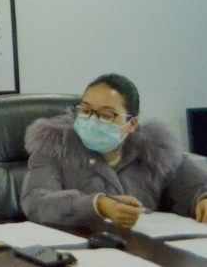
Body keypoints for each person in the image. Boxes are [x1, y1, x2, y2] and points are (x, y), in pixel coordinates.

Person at [22, 73, 207, 228]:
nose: (92, 121)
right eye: (85, 111)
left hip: (145, 248)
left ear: (132, 124)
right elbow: (36, 202)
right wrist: (98, 205)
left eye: (106, 115)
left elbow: (194, 185)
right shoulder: (55, 145)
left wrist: (202, 199)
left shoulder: (156, 150)